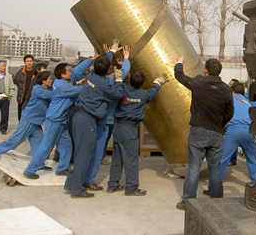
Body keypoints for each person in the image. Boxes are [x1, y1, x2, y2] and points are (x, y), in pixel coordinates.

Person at [23, 50, 98, 179]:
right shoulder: (64, 87)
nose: (70, 72)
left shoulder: (63, 80)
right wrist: (95, 83)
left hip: (61, 120)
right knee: (46, 146)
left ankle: (62, 168)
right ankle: (30, 170)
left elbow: (77, 70)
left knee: (66, 145)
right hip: (54, 121)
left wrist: (92, 59)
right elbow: (82, 89)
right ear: (63, 75)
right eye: (68, 71)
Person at [65, 43, 126, 199]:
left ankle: (71, 183)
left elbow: (103, 61)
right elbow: (117, 95)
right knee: (84, 156)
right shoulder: (103, 84)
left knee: (79, 153)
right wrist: (119, 80)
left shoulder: (91, 75)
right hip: (87, 120)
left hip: (78, 117)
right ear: (107, 71)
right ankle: (77, 189)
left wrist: (111, 51)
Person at [174, 57, 234, 210]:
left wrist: (180, 62)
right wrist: (219, 125)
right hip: (216, 133)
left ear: (205, 70)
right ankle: (217, 202)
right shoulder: (226, 90)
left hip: (198, 132)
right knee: (215, 169)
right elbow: (229, 113)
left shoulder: (199, 83)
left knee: (193, 169)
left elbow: (180, 77)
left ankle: (187, 202)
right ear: (219, 72)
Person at [107, 63, 168, 197]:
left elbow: (119, 83)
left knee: (117, 158)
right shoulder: (144, 94)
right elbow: (153, 92)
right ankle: (132, 188)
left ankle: (112, 184)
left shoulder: (123, 90)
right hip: (130, 129)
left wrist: (122, 67)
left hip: (119, 128)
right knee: (131, 159)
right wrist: (157, 82)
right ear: (141, 83)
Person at [0, 71, 53, 161]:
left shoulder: (48, 89)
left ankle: (38, 163)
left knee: (38, 142)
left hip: (36, 121)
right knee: (16, 140)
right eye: (50, 79)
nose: (51, 81)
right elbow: (50, 95)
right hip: (29, 119)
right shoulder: (38, 89)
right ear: (43, 81)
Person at [210, 82, 256, 191]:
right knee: (252, 159)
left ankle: (215, 187)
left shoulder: (228, 99)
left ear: (232, 91)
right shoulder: (247, 102)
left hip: (234, 130)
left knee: (222, 158)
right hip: (248, 130)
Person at [15, 54, 35, 121]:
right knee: (21, 117)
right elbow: (17, 82)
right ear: (25, 62)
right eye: (27, 61)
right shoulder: (20, 72)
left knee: (31, 116)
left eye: (30, 61)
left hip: (32, 98)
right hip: (22, 98)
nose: (29, 63)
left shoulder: (36, 73)